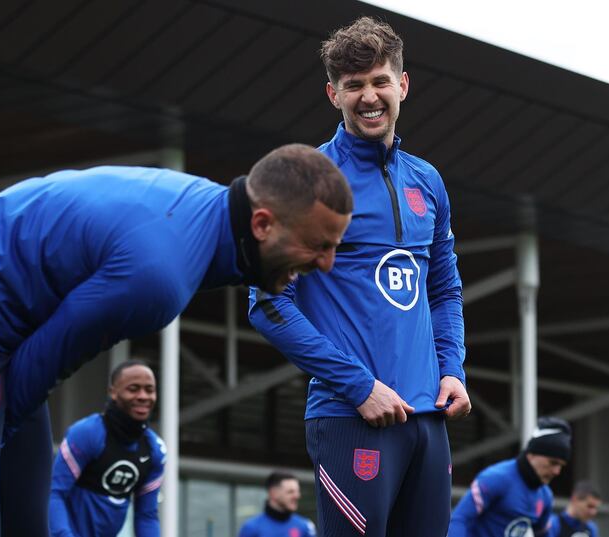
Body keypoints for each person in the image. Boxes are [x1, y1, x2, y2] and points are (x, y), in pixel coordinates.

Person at [0, 143, 353, 537]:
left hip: (2, 340)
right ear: (262, 224)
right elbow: (41, 364)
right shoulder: (158, 278)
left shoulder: (204, 216)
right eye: (319, 246)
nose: (327, 264)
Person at [248, 16, 469, 537]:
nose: (369, 97)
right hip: (352, 417)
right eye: (354, 86)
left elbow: (444, 289)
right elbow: (269, 304)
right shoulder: (307, 181)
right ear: (333, 94)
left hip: (428, 419)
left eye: (379, 81)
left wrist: (452, 369)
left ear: (402, 85)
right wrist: (358, 386)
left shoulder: (428, 181)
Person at [50, 360, 164, 537]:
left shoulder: (155, 450)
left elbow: (146, 515)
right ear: (113, 392)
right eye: (133, 389)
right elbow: (54, 493)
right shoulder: (86, 433)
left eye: (150, 390)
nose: (143, 396)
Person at [449, 417, 573, 537]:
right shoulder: (496, 478)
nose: (557, 471)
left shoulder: (545, 496)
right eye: (553, 463)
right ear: (532, 454)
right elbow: (460, 519)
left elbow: (543, 534)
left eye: (561, 466)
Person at [238, 472, 317, 537]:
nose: (297, 496)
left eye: (297, 491)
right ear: (273, 493)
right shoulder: (251, 528)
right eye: (290, 492)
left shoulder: (305, 526)